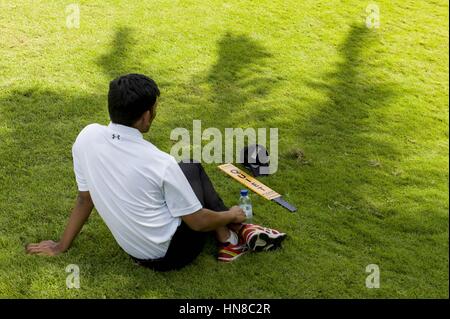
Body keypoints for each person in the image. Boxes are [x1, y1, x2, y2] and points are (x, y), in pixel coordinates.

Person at [26, 74, 287, 271]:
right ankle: (233, 235)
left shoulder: (87, 136)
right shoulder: (159, 162)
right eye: (154, 107)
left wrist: (61, 245)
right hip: (171, 255)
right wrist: (231, 212)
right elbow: (197, 222)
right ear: (145, 116)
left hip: (134, 251)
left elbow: (85, 198)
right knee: (191, 169)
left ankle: (233, 233)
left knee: (188, 168)